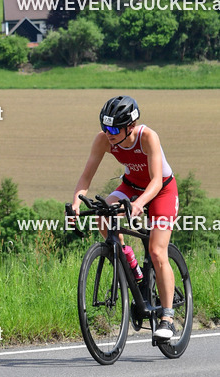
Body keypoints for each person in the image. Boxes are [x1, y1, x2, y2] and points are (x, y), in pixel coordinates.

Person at [71, 95, 179, 342]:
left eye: (112, 128)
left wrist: (140, 204)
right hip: (131, 186)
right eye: (104, 126)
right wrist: (76, 203)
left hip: (161, 189)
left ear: (130, 126)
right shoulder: (103, 140)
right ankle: (130, 264)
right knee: (103, 214)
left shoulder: (147, 137)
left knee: (157, 251)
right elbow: (86, 177)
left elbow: (156, 180)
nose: (107, 133)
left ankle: (168, 319)